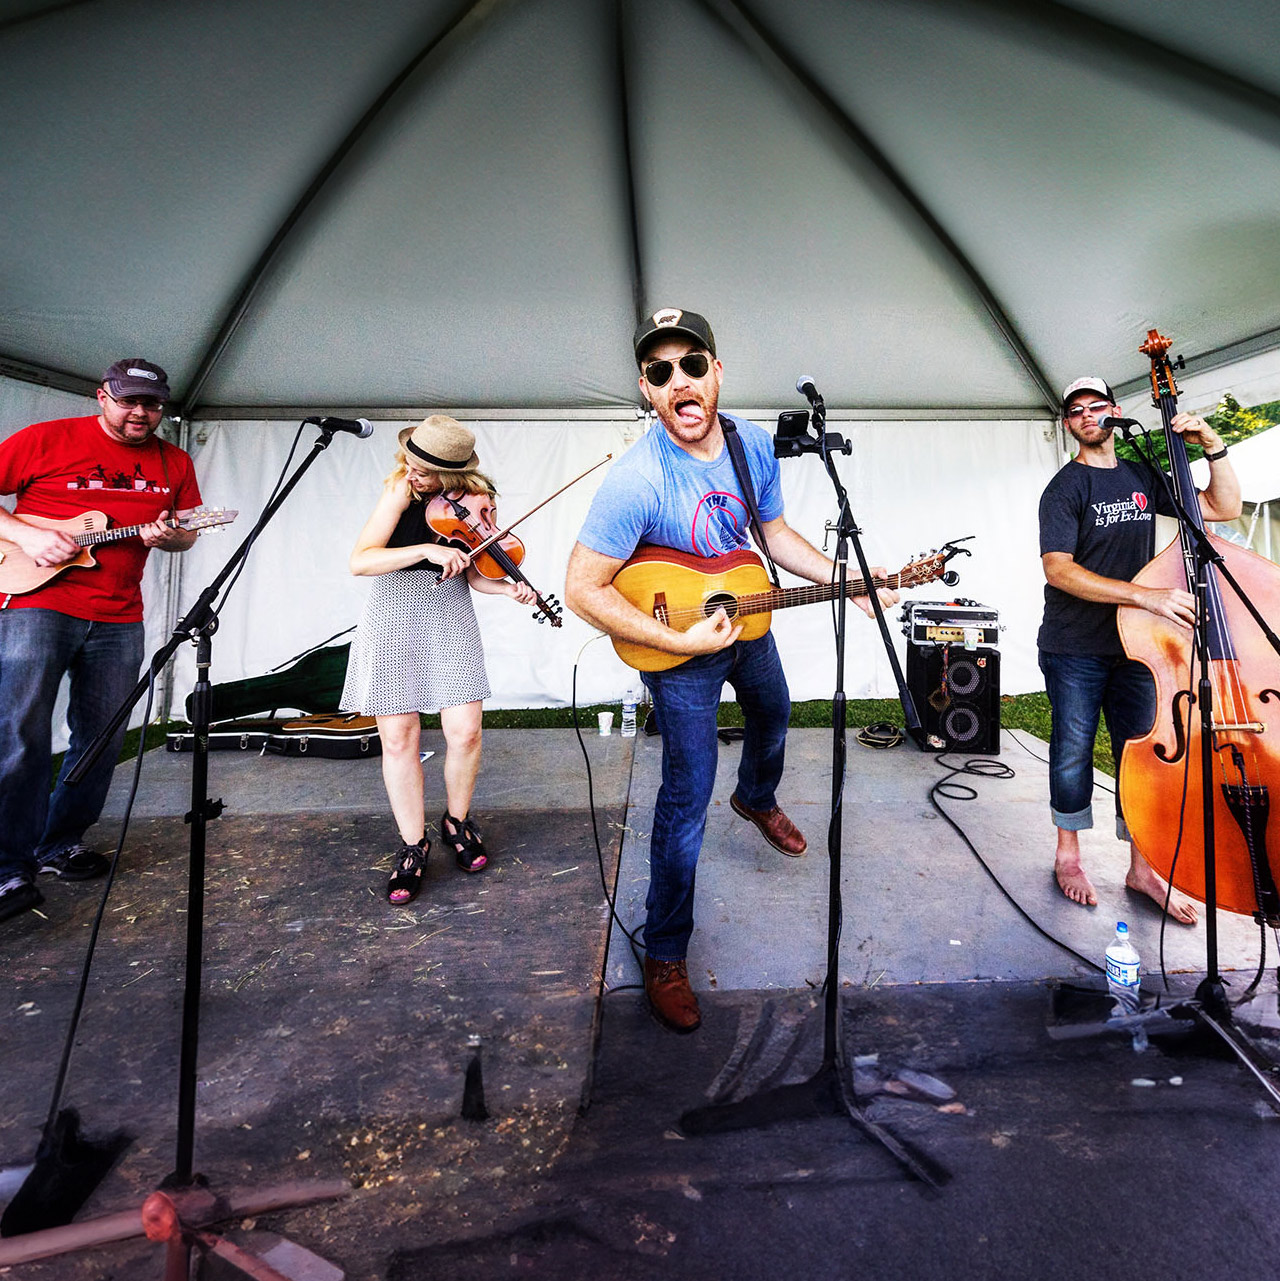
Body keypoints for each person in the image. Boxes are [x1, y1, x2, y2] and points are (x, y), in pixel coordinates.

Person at [564, 307, 896, 1032]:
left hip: (746, 623)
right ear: (648, 390)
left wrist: (851, 576)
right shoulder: (635, 480)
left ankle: (758, 795)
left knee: (775, 710)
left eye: (691, 364)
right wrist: (678, 644)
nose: (678, 381)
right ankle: (666, 950)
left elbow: (773, 535)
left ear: (717, 371)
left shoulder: (749, 444)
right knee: (686, 796)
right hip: (679, 653)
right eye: (660, 372)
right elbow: (581, 588)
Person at [0, 359, 202, 924]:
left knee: (103, 736)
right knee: (20, 731)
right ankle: (6, 866)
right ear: (102, 396)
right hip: (36, 602)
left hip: (119, 614)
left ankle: (59, 843)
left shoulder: (173, 461)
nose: (141, 413)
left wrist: (173, 536)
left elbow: (185, 532)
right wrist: (29, 534)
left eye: (153, 404)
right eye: (129, 400)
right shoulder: (47, 440)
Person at [1038, 375, 1241, 921]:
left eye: (1096, 405)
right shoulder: (1064, 489)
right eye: (1075, 410)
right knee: (1074, 750)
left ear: (1115, 411)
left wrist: (1213, 445)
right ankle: (1069, 855)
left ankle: (1142, 866)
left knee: (1141, 753)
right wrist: (1146, 597)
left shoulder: (1140, 475)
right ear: (1068, 424)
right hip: (1073, 645)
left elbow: (1220, 509)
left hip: (1136, 647)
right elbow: (1059, 571)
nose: (1087, 415)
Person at [341, 415, 536, 905]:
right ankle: (413, 843)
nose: (414, 471)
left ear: (453, 472)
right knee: (400, 735)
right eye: (413, 460)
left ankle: (456, 821)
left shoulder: (474, 501)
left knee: (466, 729)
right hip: (393, 616)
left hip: (449, 614)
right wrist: (425, 547)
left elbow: (476, 576)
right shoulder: (399, 491)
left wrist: (510, 588)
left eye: (426, 468)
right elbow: (361, 560)